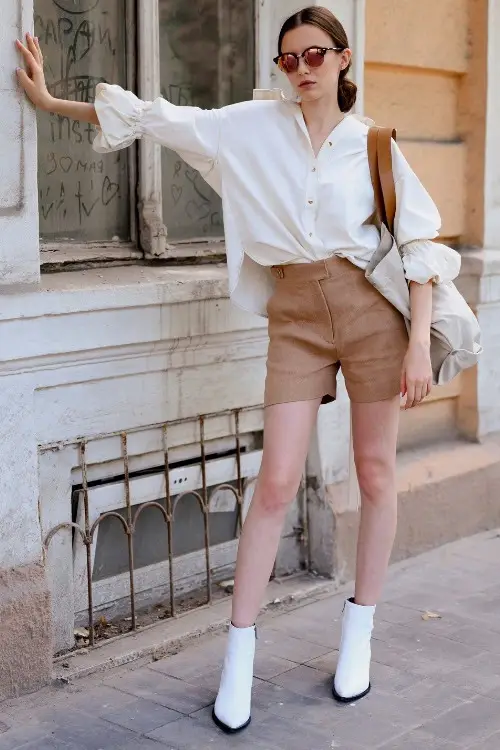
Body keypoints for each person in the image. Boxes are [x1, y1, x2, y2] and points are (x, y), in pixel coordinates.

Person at [16, 5, 461, 735]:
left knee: (376, 472)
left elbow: (419, 244)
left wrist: (417, 343)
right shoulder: (248, 129)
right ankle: (239, 657)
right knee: (277, 482)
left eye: (313, 55)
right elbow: (156, 118)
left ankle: (360, 633)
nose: (300, 70)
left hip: (373, 318)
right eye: (287, 60)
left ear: (343, 60)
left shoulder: (373, 143)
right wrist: (50, 100)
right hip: (296, 315)